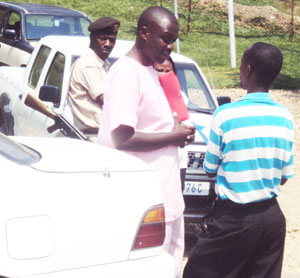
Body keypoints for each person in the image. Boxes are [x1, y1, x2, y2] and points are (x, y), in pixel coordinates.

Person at [98, 6, 195, 278]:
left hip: (167, 198)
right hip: (145, 203)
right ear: (144, 33)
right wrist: (173, 136)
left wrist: (176, 134)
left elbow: (152, 125)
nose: (171, 46)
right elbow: (122, 136)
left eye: (174, 39)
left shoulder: (148, 70)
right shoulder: (127, 72)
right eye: (166, 38)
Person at [183, 42, 294, 278]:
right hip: (271, 219)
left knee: (196, 273)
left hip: (233, 218)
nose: (240, 70)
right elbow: (284, 177)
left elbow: (210, 169)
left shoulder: (226, 114)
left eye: (242, 65)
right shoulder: (285, 117)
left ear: (249, 68)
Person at [68, 16, 120, 141]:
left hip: (100, 134)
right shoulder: (89, 65)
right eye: (103, 39)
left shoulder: (100, 64)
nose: (108, 44)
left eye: (112, 40)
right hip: (94, 136)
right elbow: (107, 101)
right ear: (92, 38)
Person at [153, 57, 190, 191]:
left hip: (178, 162)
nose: (163, 75)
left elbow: (186, 126)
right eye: (159, 71)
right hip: (156, 161)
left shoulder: (180, 97)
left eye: (168, 71)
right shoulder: (147, 95)